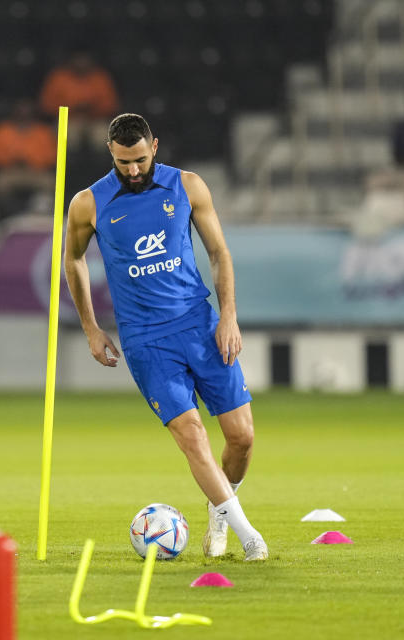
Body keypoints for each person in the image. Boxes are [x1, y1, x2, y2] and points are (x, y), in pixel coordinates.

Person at [63, 113, 268, 561]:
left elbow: (218, 253)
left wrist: (228, 314)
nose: (133, 171)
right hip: (146, 342)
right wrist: (91, 327)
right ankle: (248, 534)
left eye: (139, 160)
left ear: (154, 146)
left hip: (200, 327)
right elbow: (73, 260)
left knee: (242, 438)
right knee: (192, 434)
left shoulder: (188, 186)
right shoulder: (89, 203)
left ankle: (220, 510)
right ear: (111, 155)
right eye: (123, 163)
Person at [0, 99, 57, 219]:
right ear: (14, 112)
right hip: (10, 172)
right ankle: (7, 216)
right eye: (20, 112)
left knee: (50, 183)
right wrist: (11, 160)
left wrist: (30, 160)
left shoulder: (42, 132)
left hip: (35, 172)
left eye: (27, 112)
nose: (24, 115)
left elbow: (51, 158)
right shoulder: (1, 131)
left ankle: (40, 215)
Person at [39, 51, 120, 149]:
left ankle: (100, 163)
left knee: (102, 135)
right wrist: (72, 108)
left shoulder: (100, 77)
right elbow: (47, 105)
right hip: (69, 119)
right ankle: (70, 163)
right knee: (68, 135)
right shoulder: (59, 77)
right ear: (71, 60)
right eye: (78, 59)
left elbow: (111, 105)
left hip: (95, 119)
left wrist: (92, 108)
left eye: (84, 59)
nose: (81, 63)